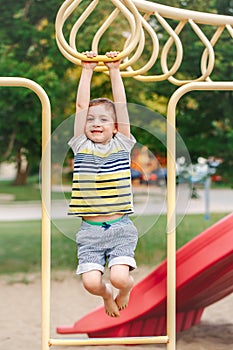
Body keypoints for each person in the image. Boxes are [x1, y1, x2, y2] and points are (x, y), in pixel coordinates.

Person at [68, 50, 138, 317]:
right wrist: (86, 70)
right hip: (89, 232)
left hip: (120, 228)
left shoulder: (122, 143)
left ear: (115, 126)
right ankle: (107, 295)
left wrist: (114, 70)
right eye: (91, 119)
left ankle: (123, 290)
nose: (95, 123)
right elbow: (80, 108)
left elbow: (121, 106)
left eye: (103, 119)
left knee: (120, 278)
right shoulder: (80, 145)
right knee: (91, 283)